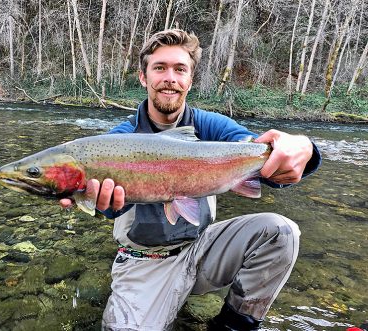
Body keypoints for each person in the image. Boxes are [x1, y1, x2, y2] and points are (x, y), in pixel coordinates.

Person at [61, 29, 321, 331]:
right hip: (146, 260)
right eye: (159, 68)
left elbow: (261, 155)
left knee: (282, 232)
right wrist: (99, 202)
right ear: (144, 78)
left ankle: (232, 325)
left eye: (179, 69)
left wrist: (303, 148)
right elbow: (110, 208)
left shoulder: (211, 125)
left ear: (190, 80)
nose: (169, 78)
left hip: (202, 249)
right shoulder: (118, 140)